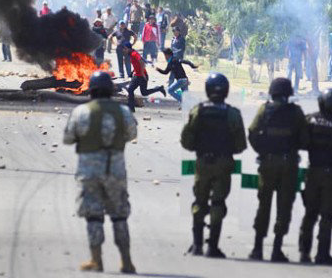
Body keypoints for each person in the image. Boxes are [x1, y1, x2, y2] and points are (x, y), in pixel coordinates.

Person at [63, 72, 138, 273]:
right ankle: (127, 261)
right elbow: (132, 134)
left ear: (92, 91)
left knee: (94, 217)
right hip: (115, 171)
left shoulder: (81, 112)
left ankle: (96, 260)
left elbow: (68, 138)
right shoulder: (123, 112)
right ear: (111, 91)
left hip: (89, 173)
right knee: (119, 216)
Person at [181, 73, 247, 258]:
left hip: (203, 162)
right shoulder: (232, 113)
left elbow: (186, 140)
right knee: (218, 202)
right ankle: (213, 247)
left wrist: (200, 149)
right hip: (224, 163)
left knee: (199, 202)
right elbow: (241, 144)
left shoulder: (198, 111)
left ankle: (197, 245)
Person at [248, 78, 309, 262]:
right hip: (288, 164)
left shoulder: (264, 109)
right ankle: (276, 249)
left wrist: (262, 150)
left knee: (263, 204)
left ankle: (257, 248)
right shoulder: (296, 112)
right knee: (284, 207)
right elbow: (305, 139)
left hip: (267, 164)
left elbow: (252, 132)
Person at [298, 88, 332, 265]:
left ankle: (304, 253)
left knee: (310, 214)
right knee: (327, 216)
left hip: (313, 171)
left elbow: (303, 143)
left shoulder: (310, 119)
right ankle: (322, 254)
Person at [123, 43, 166, 112]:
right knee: (130, 89)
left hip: (142, 76)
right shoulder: (131, 54)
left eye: (125, 48)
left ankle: (159, 88)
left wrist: (142, 73)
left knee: (144, 92)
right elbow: (137, 64)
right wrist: (132, 72)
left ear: (129, 48)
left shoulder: (134, 54)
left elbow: (142, 62)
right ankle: (131, 107)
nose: (124, 50)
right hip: (137, 76)